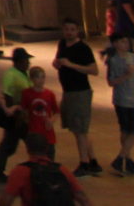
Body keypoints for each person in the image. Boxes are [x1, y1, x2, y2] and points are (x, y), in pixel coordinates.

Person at [52, 18, 103, 177]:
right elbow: (59, 60)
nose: (69, 32)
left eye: (72, 29)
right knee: (78, 130)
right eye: (66, 29)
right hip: (68, 92)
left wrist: (71, 65)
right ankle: (93, 161)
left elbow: (94, 71)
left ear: (77, 30)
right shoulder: (62, 44)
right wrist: (57, 63)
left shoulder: (83, 48)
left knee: (80, 130)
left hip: (80, 92)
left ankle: (84, 163)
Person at [0, 134, 91, 206]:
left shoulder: (21, 171)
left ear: (28, 149)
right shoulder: (62, 170)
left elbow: (5, 202)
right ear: (46, 148)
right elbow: (83, 199)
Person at [0, 47, 38, 181]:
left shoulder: (22, 73)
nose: (28, 63)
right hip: (17, 117)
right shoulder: (12, 75)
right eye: (25, 60)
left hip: (21, 115)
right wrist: (16, 113)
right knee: (32, 143)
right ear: (17, 61)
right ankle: (38, 170)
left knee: (9, 144)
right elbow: (8, 96)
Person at [105, 34, 134, 177]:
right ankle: (126, 159)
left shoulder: (133, 57)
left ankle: (122, 158)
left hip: (133, 99)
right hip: (121, 100)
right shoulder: (113, 61)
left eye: (127, 41)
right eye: (122, 41)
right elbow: (111, 82)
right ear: (115, 44)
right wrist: (126, 75)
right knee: (127, 130)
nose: (125, 44)